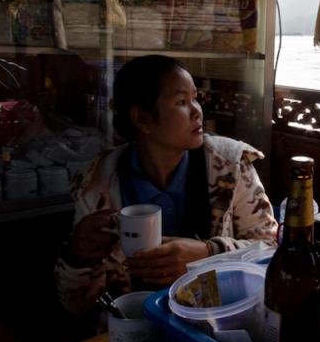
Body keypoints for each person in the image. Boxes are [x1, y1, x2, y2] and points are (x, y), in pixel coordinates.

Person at [55, 55, 277, 316]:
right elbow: (76, 305)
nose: (197, 111)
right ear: (142, 119)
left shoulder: (231, 166)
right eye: (181, 102)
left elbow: (270, 254)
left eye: (195, 98)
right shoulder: (97, 186)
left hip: (214, 324)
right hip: (136, 330)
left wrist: (209, 253)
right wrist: (78, 255)